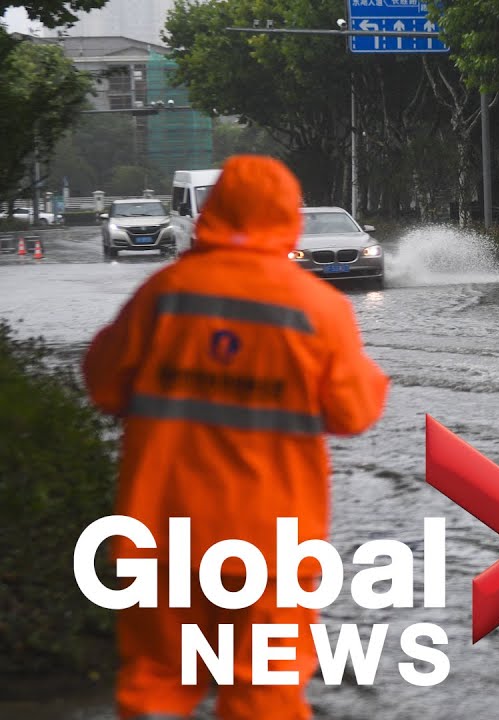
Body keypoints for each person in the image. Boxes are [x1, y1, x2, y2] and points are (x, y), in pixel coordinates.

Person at [81, 154, 389, 720]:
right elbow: (354, 413)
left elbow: (102, 383)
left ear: (213, 211)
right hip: (270, 550)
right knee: (264, 695)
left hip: (162, 542)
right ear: (288, 218)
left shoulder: (164, 293)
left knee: (157, 683)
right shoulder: (317, 309)